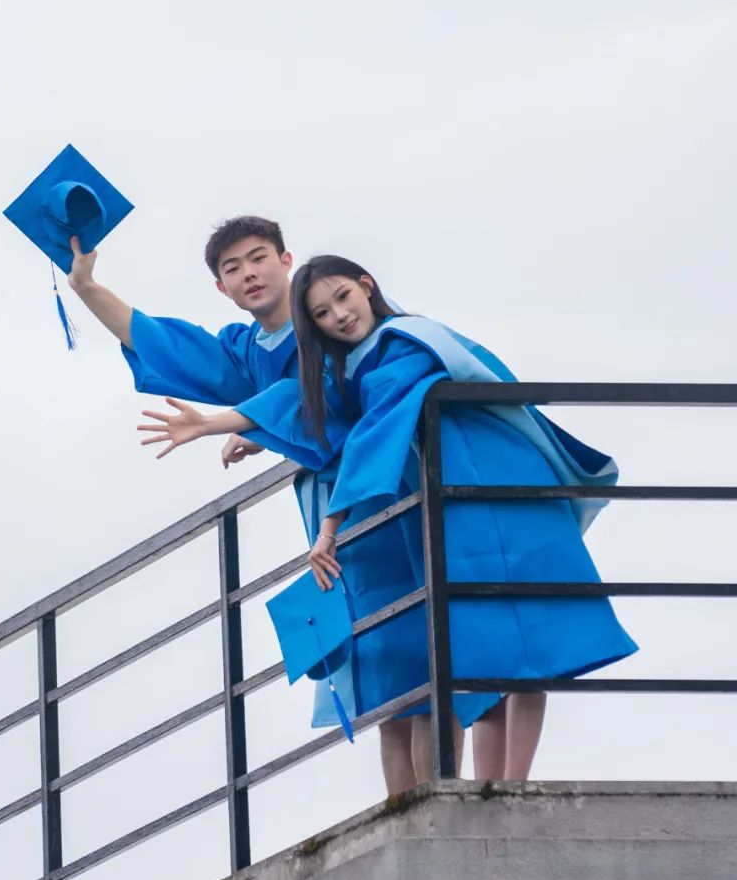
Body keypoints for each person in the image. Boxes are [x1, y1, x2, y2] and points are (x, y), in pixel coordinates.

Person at [137, 255, 638, 787]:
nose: (340, 316)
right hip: (457, 504)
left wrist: (327, 528)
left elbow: (374, 433)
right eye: (324, 314)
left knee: (532, 639)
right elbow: (304, 405)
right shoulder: (356, 367)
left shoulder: (404, 344)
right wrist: (235, 424)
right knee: (488, 644)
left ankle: (511, 785)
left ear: (366, 286)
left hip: (500, 485)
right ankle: (497, 790)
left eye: (344, 298)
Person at [66, 218, 486, 794]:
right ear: (222, 288)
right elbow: (166, 343)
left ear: (286, 259)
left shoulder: (336, 326)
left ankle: (446, 801)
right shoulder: (248, 351)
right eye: (232, 268)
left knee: (428, 660)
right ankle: (406, 810)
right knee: (384, 679)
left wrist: (247, 422)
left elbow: (335, 402)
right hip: (333, 521)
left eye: (258, 257)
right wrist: (87, 288)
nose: (249, 273)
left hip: (393, 493)